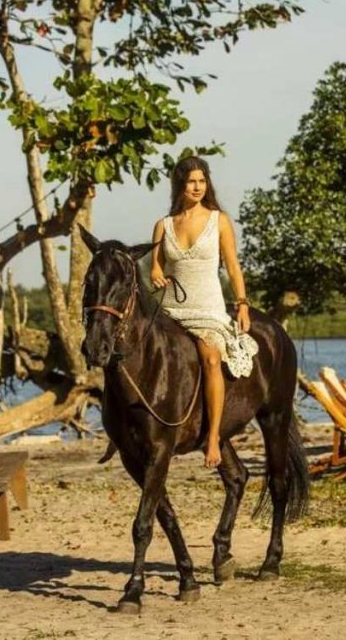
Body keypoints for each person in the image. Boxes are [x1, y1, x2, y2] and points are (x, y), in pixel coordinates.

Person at [150, 156, 259, 468]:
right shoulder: (163, 225)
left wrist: (242, 303)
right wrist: (156, 273)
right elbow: (155, 267)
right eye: (191, 182)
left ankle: (213, 438)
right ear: (180, 185)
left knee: (211, 357)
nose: (197, 187)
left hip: (207, 308)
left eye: (202, 181)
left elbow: (233, 266)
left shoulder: (218, 220)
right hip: (171, 309)